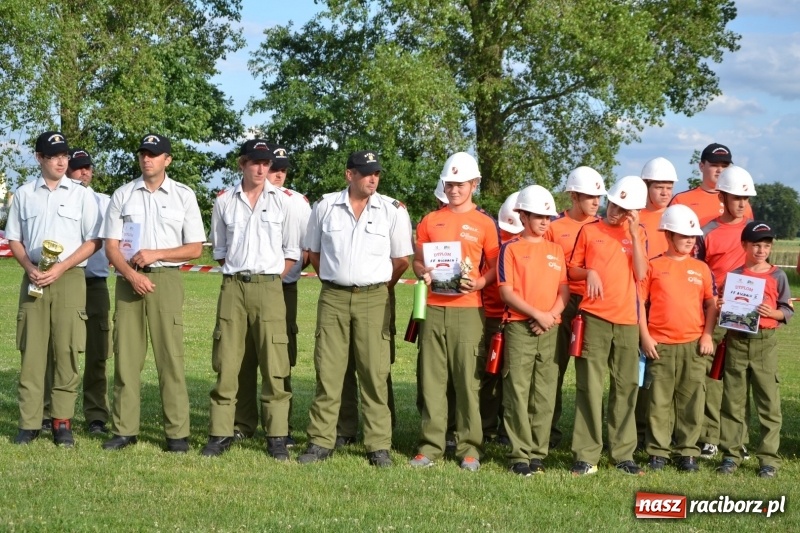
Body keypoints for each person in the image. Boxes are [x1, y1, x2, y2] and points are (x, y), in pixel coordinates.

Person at [297, 150, 413, 467]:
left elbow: (402, 260)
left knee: (374, 373)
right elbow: (314, 254)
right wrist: (338, 279)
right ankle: (322, 439)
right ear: (350, 175)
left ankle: (378, 445)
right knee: (329, 371)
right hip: (333, 296)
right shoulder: (324, 207)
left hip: (375, 297)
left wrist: (379, 286)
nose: (373, 178)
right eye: (366, 172)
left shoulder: (393, 211)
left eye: (376, 172)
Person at [101, 133, 205, 452]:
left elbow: (195, 248)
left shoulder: (184, 196)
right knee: (126, 359)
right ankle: (124, 430)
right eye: (143, 153)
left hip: (166, 281)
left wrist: (157, 254)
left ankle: (176, 434)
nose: (147, 159)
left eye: (154, 154)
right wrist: (131, 274)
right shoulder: (122, 195)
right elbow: (111, 246)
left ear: (167, 160)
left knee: (170, 359)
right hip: (128, 281)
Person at [201, 139, 302, 459]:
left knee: (275, 363)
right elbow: (219, 251)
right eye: (255, 162)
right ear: (242, 164)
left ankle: (276, 435)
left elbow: (291, 253)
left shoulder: (284, 202)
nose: (262, 168)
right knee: (227, 362)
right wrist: (240, 271)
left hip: (271, 287)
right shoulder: (224, 201)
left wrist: (270, 277)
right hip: (233, 287)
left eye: (267, 163)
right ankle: (220, 432)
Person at [8, 131, 101, 447]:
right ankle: (30, 423)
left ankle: (62, 422)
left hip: (70, 278)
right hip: (34, 278)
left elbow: (93, 240)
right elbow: (15, 239)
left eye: (64, 155)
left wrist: (61, 266)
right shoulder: (23, 194)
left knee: (67, 350)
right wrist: (30, 268)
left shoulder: (81, 194)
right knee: (32, 351)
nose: (62, 160)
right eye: (53, 155)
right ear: (39, 158)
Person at [409, 152, 501, 471]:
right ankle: (430, 446)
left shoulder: (485, 224)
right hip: (433, 308)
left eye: (460, 184)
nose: (454, 189)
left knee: (467, 380)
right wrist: (422, 271)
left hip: (468, 311)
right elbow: (418, 260)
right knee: (432, 380)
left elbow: (494, 266)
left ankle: (470, 449)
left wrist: (479, 283)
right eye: (449, 184)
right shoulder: (430, 221)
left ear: (474, 184)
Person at [567, 175, 648, 476]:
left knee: (626, 388)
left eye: (623, 208)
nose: (615, 210)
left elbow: (641, 273)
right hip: (594, 317)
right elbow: (572, 269)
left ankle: (623, 454)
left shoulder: (639, 234)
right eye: (613, 203)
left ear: (634, 211)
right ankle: (586, 455)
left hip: (627, 320)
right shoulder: (590, 231)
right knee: (589, 386)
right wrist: (588, 272)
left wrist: (636, 235)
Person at [233, 144, 311, 446]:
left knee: (279, 357)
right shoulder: (239, 198)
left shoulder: (296, 203)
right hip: (246, 287)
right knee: (243, 355)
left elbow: (304, 249)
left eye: (281, 169)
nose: (275, 173)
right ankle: (243, 422)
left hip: (282, 289)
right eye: (271, 167)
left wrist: (273, 278)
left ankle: (282, 424)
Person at [498, 185, 569, 476]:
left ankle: (538, 453)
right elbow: (506, 291)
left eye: (548, 217)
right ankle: (519, 454)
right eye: (538, 216)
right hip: (519, 327)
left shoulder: (556, 250)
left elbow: (564, 290)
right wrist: (536, 314)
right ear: (523, 216)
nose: (544, 222)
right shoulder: (510, 248)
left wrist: (550, 315)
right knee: (517, 390)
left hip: (550, 328)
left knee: (545, 392)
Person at [639, 205, 716, 472]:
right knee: (659, 400)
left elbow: (711, 305)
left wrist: (707, 335)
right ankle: (658, 451)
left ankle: (687, 452)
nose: (689, 241)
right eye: (683, 235)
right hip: (660, 344)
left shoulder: (702, 269)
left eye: (692, 236)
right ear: (669, 235)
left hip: (693, 344)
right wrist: (645, 337)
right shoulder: (654, 266)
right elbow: (640, 304)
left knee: (692, 400)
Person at [717, 221, 793, 478]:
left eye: (766, 245)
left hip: (764, 342)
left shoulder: (777, 275)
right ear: (744, 245)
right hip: (737, 340)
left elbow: (788, 309)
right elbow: (722, 305)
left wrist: (774, 313)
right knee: (733, 402)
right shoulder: (735, 276)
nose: (761, 250)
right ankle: (731, 454)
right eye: (756, 245)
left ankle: (769, 458)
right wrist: (721, 305)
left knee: (768, 402)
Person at [694, 165, 757, 459]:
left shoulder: (753, 232)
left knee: (738, 376)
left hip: (745, 312)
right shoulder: (707, 232)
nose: (742, 204)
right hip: (715, 310)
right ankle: (709, 436)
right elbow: (697, 270)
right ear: (723, 196)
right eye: (736, 198)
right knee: (711, 376)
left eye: (746, 199)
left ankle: (736, 438)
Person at [544, 166, 606, 449]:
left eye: (598, 196)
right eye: (590, 196)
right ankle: (547, 434)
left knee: (590, 375)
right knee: (552, 369)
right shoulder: (554, 227)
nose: (596, 202)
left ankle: (590, 439)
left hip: (594, 303)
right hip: (560, 301)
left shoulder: (604, 227)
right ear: (574, 195)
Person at [67, 148, 112, 434]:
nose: (84, 172)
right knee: (60, 350)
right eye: (78, 167)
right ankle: (52, 411)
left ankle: (96, 415)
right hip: (66, 280)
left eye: (87, 167)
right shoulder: (58, 201)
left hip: (95, 283)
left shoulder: (105, 202)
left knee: (98, 353)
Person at [480, 191, 523, 445]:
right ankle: (493, 429)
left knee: (499, 377)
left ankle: (496, 429)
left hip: (510, 316)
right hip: (492, 315)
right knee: (497, 376)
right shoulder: (493, 238)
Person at [670, 143, 754, 226]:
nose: (720, 170)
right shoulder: (681, 200)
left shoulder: (741, 203)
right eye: (714, 165)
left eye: (724, 166)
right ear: (701, 166)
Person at [639, 157, 678, 259]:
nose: (665, 193)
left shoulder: (679, 217)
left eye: (669, 188)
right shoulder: (634, 217)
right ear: (646, 186)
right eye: (659, 187)